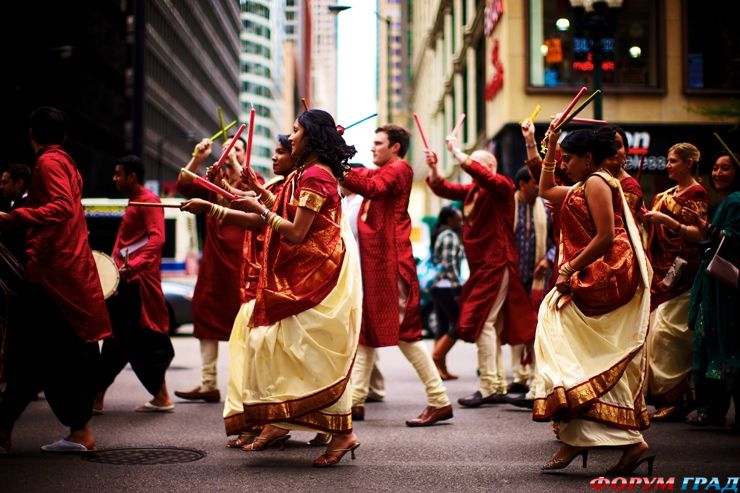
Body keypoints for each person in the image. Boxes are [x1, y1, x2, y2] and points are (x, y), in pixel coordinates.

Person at [184, 109, 363, 467]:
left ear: (310, 138)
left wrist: (258, 207)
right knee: (283, 352)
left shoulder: (315, 177)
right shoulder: (303, 175)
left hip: (315, 279)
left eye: (295, 131)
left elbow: (295, 232)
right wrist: (215, 208)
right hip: (298, 278)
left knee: (305, 357)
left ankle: (339, 433)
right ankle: (292, 424)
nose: (290, 137)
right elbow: (268, 216)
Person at [534, 126, 653, 475]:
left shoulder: (599, 182)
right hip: (592, 273)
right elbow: (545, 189)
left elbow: (604, 238)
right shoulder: (584, 184)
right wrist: (552, 144)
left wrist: (568, 268)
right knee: (575, 353)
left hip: (606, 274)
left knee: (565, 340)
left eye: (568, 159)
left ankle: (615, 442)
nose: (563, 165)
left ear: (588, 158)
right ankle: (583, 437)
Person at [0, 106, 112, 453]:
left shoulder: (48, 163)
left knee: (26, 353)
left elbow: (62, 206)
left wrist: (15, 217)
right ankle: (80, 432)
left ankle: (5, 431)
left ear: (32, 133)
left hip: (53, 275)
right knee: (64, 352)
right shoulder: (66, 162)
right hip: (66, 272)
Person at [341, 124, 453, 426]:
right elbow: (365, 178)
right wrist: (339, 163)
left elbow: (372, 185)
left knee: (407, 336)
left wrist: (337, 163)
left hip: (392, 266)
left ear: (396, 148)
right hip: (380, 267)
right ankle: (355, 401)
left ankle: (439, 400)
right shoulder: (384, 170)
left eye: (379, 143)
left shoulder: (399, 169)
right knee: (366, 335)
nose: (373, 147)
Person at [424, 135, 537, 408]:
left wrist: (458, 153)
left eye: (476, 165)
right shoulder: (473, 191)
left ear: (491, 167)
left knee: (484, 322)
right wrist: (435, 168)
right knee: (492, 326)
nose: (470, 168)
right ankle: (495, 383)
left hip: (497, 263)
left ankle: (488, 386)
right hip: (483, 268)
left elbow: (478, 175)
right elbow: (443, 189)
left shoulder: (501, 187)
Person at [220, 135, 292, 448]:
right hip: (260, 283)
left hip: (283, 285)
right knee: (247, 353)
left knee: (268, 356)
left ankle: (273, 422)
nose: (274, 156)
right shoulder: (283, 185)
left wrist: (224, 201)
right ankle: (257, 420)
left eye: (281, 151)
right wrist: (215, 201)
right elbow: (260, 209)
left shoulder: (307, 182)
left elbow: (276, 222)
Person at [94, 155, 174, 414]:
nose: (114, 178)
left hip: (136, 286)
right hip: (129, 283)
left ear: (132, 176)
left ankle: (96, 396)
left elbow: (157, 239)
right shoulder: (136, 201)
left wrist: (133, 267)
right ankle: (161, 397)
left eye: (118, 173)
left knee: (121, 341)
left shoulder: (148, 201)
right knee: (132, 341)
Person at [174, 136, 250, 403]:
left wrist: (232, 164)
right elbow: (183, 183)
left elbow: (255, 197)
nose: (230, 154)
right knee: (205, 316)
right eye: (227, 149)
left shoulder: (253, 182)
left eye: (236, 149)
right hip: (213, 263)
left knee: (244, 325)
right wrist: (198, 156)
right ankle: (208, 383)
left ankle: (245, 386)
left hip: (242, 263)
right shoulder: (213, 180)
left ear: (244, 153)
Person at [643, 143, 709, 421]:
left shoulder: (697, 193)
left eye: (673, 161)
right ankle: (669, 398)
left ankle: (679, 397)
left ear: (689, 163)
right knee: (654, 334)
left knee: (669, 335)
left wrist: (667, 222)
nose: (668, 165)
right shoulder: (664, 194)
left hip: (683, 271)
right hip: (660, 270)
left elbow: (697, 234)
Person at [685, 151, 740, 428]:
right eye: (715, 168)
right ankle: (711, 410)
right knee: (707, 344)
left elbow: (731, 241)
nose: (718, 173)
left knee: (723, 346)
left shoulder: (736, 201)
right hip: (715, 288)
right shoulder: (727, 201)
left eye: (726, 168)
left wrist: (705, 226)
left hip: (726, 292)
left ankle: (713, 411)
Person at [341, 163, 386, 402]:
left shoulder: (361, 204)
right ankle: (372, 387)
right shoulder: (345, 202)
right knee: (358, 331)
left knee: (361, 331)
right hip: (350, 272)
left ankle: (365, 390)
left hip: (360, 272)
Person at [508, 166, 552, 395]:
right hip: (513, 278)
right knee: (516, 327)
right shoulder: (509, 206)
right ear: (522, 184)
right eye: (534, 182)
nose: (538, 186)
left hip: (538, 278)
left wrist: (548, 259)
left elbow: (557, 240)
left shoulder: (546, 208)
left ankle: (535, 374)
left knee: (536, 326)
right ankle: (518, 375)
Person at [427, 206, 464, 380]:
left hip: (438, 286)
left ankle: (439, 369)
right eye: (458, 219)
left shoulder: (440, 233)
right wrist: (457, 288)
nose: (461, 223)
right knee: (458, 325)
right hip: (446, 286)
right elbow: (449, 265)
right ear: (449, 220)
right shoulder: (449, 236)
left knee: (442, 325)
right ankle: (437, 357)